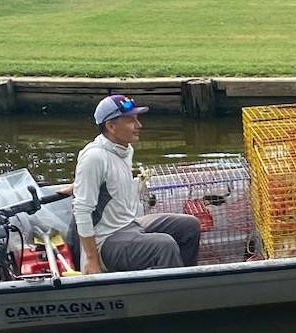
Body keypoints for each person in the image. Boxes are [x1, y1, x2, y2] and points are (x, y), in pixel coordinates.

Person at [58, 94, 200, 274]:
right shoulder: (95, 157)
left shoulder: (125, 149)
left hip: (128, 224)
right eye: (131, 120)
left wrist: (78, 185)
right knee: (164, 245)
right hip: (105, 240)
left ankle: (186, 282)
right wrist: (92, 261)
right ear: (111, 126)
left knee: (189, 226)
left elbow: (105, 180)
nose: (139, 125)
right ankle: (172, 297)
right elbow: (82, 210)